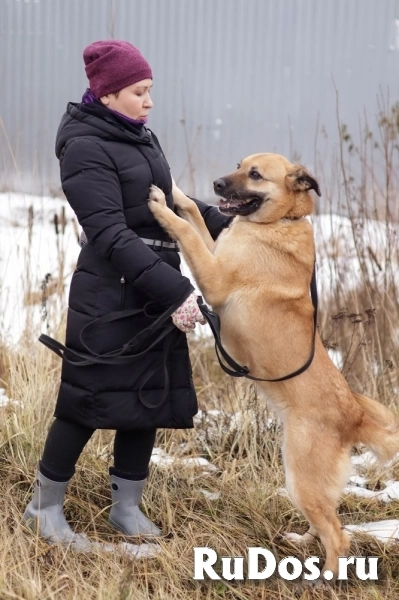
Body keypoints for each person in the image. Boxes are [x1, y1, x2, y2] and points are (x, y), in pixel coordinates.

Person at [23, 40, 231, 547]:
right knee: (85, 400)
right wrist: (178, 291)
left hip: (153, 286)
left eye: (150, 90)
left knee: (147, 397)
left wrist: (231, 227)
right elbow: (111, 234)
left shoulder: (140, 137)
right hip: (110, 292)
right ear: (109, 93)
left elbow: (173, 205)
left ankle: (127, 508)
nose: (149, 101)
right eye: (140, 91)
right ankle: (43, 508)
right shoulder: (85, 147)